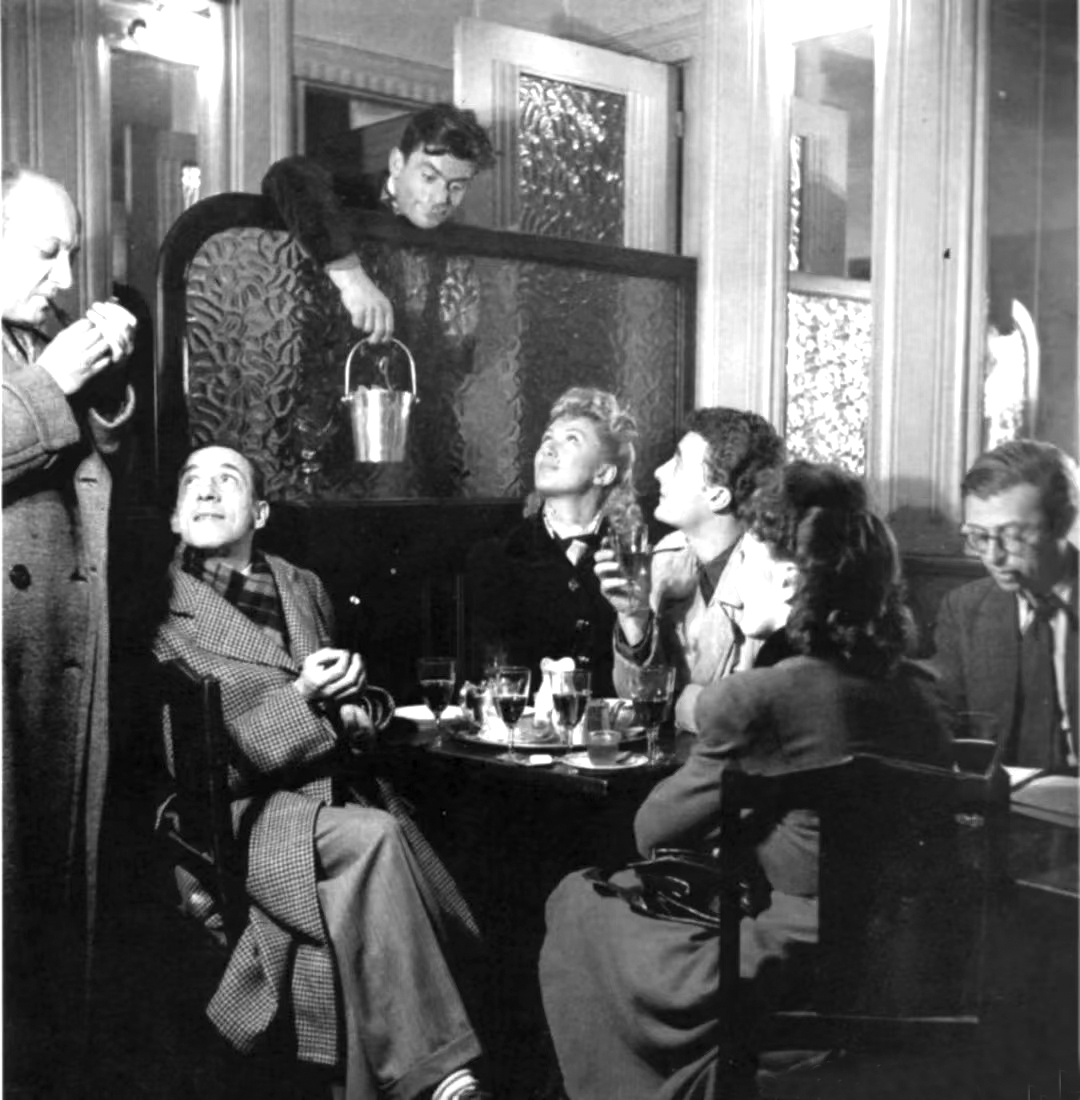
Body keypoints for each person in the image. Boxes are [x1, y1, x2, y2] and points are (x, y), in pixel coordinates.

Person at [539, 461, 953, 1100]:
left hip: (784, 963)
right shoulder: (923, 694)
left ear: (788, 580)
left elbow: (654, 830)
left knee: (578, 901)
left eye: (748, 564)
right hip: (903, 966)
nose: (734, 588)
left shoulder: (762, 697)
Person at [152, 444, 488, 1100]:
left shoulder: (300, 586)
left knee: (353, 918)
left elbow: (351, 704)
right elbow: (196, 768)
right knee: (375, 839)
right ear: (174, 517)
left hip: (330, 795)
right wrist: (303, 697)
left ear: (261, 513)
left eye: (227, 480)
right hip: (230, 816)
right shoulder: (161, 614)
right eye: (193, 482)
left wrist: (358, 709)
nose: (208, 492)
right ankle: (443, 1076)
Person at [2, 164, 138, 1092]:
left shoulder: (28, 334)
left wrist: (102, 377)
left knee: (49, 911)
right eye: (45, 252)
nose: (64, 277)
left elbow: (88, 465)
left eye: (72, 255)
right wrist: (52, 380)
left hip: (58, 651)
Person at [596, 407, 784, 730]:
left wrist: (685, 705)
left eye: (678, 462)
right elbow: (639, 700)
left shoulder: (768, 579)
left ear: (718, 496)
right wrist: (634, 619)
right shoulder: (665, 558)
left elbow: (751, 721)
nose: (659, 472)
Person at [263, 102, 496, 341]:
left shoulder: (459, 233)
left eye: (456, 187)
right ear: (397, 163)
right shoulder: (351, 195)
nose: (440, 198)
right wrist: (351, 279)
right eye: (428, 177)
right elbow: (287, 174)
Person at [466, 387, 640, 697]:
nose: (548, 449)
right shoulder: (496, 557)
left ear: (603, 473)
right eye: (547, 439)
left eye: (571, 439)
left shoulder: (632, 563)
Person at [931, 439, 1078, 769]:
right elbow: (945, 724)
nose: (993, 556)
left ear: (1064, 521)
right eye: (979, 536)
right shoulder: (964, 609)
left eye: (1013, 535)